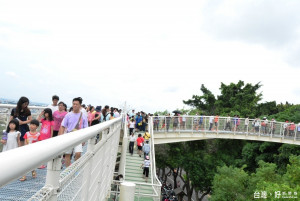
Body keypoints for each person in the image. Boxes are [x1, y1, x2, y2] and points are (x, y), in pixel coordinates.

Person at [59, 97, 88, 167]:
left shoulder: (83, 116)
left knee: (78, 153)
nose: (74, 105)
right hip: (69, 136)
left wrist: (84, 139)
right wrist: (61, 137)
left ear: (80, 106)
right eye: (73, 104)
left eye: (76, 104)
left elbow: (86, 128)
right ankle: (68, 170)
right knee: (67, 154)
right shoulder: (68, 115)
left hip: (79, 137)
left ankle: (75, 167)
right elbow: (63, 126)